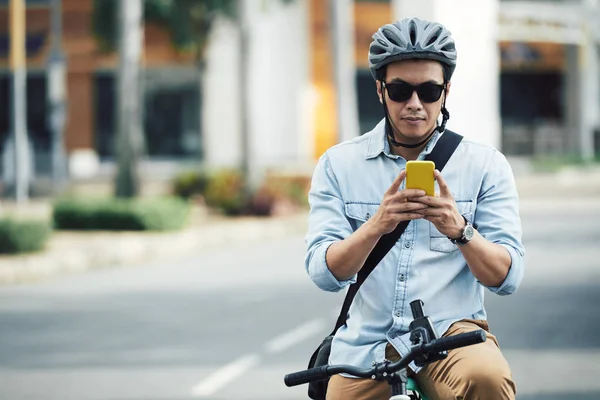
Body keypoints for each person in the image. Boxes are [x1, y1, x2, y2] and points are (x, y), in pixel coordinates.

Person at [304, 17, 525, 400]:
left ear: (446, 92)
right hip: (366, 343)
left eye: (428, 90)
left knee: (488, 380)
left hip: (452, 335)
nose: (414, 104)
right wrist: (376, 225)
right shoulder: (338, 165)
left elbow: (507, 278)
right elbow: (325, 273)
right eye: (400, 90)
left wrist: (460, 229)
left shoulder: (485, 165)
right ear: (380, 90)